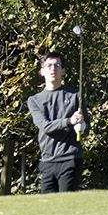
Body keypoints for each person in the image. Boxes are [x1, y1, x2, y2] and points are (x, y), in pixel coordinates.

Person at [28, 50, 86, 192]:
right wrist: (69, 121)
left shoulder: (75, 96)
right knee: (48, 209)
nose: (53, 69)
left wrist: (82, 126)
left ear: (63, 70)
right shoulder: (34, 100)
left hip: (70, 158)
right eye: (49, 66)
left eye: (57, 65)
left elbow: (86, 125)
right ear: (42, 71)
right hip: (47, 160)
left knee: (66, 206)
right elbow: (45, 126)